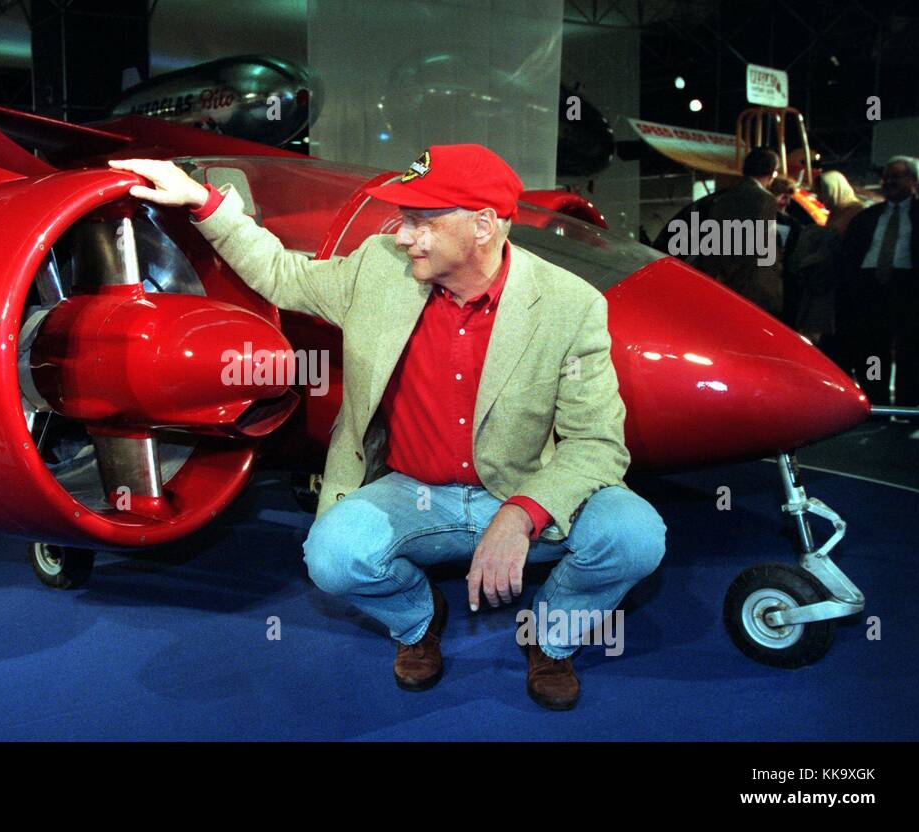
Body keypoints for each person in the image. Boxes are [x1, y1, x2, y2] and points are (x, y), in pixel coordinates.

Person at [110, 145, 666, 711]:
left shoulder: (570, 306)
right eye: (403, 220)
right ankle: (418, 621)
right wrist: (202, 201)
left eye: (420, 222)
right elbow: (283, 275)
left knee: (634, 535)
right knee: (332, 557)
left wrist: (522, 514)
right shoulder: (380, 267)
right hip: (413, 492)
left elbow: (596, 443)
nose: (402, 236)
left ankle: (551, 637)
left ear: (482, 226)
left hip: (520, 486)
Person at [837, 156, 919, 407]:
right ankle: (876, 399)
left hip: (908, 286)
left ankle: (908, 403)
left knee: (909, 348)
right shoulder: (867, 217)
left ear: (913, 180)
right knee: (873, 348)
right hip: (870, 286)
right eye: (886, 177)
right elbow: (850, 254)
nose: (889, 182)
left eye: (896, 177)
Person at [687, 148, 783, 315]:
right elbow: (762, 250)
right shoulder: (764, 199)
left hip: (723, 282)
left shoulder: (723, 198)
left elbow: (713, 242)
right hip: (753, 287)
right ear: (771, 172)